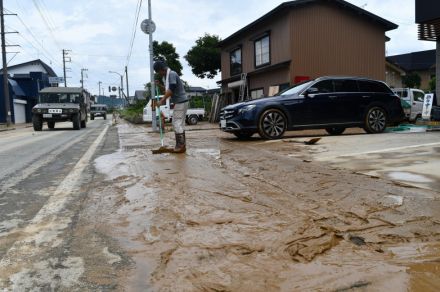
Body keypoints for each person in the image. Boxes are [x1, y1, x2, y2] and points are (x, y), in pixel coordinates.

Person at [153, 61, 189, 153]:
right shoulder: (167, 77)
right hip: (181, 101)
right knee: (179, 124)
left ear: (162, 69)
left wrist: (162, 100)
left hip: (180, 101)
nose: (159, 74)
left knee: (176, 123)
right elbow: (167, 90)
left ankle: (181, 146)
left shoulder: (172, 74)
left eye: (158, 72)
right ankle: (181, 145)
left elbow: (171, 90)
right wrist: (160, 85)